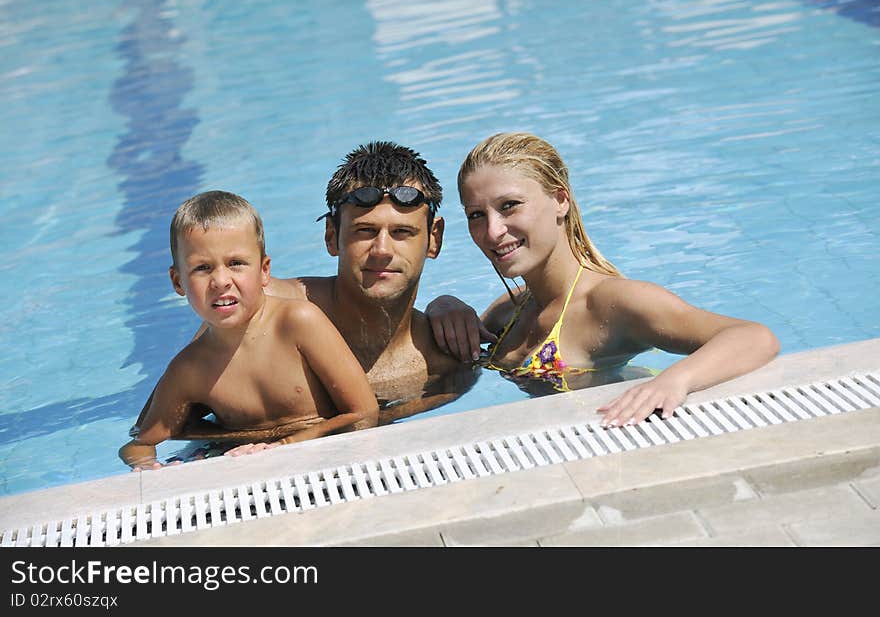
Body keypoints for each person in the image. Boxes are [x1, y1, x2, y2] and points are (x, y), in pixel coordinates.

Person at [128, 142, 475, 464]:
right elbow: (155, 424)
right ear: (331, 237)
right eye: (364, 231)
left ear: (434, 238)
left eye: (402, 233)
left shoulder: (449, 348)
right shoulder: (259, 308)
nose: (382, 251)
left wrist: (444, 303)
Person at [426, 132, 780, 426]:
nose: (493, 231)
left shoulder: (610, 303)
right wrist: (444, 304)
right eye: (476, 214)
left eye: (509, 206)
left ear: (560, 200)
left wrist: (674, 381)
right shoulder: (511, 309)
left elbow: (753, 337)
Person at [119, 191, 378, 470]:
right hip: (244, 465)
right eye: (202, 268)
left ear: (264, 270)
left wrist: (286, 447)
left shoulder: (298, 323)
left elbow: (364, 411)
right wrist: (146, 466)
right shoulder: (190, 369)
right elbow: (140, 442)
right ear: (178, 281)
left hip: (328, 457)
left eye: (236, 264)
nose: (220, 281)